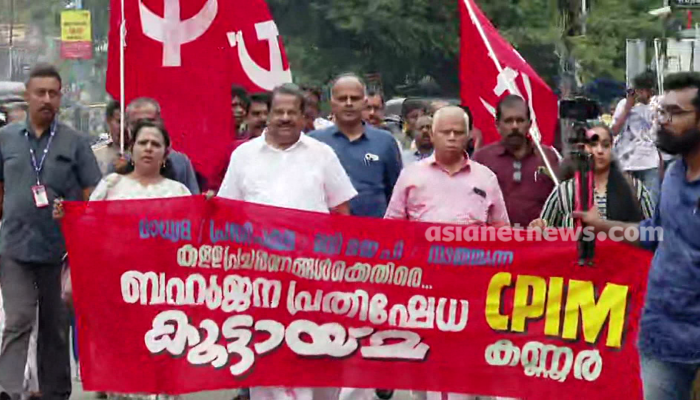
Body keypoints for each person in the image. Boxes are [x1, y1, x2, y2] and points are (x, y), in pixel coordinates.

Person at [217, 83, 356, 400]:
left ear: (303, 116)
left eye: (290, 112)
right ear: (267, 116)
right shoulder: (244, 155)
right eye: (277, 112)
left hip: (316, 280)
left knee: (318, 357)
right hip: (261, 282)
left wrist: (341, 266)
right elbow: (227, 215)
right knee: (267, 361)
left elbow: (342, 212)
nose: (283, 118)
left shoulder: (322, 155)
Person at [574, 72, 700, 400]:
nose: (663, 121)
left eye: (674, 113)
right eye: (661, 111)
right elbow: (652, 233)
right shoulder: (672, 175)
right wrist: (600, 224)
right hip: (660, 339)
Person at [54, 119, 189, 400]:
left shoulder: (179, 193)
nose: (148, 149)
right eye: (143, 143)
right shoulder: (112, 185)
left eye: (155, 144)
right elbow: (88, 228)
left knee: (158, 372)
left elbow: (191, 244)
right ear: (131, 148)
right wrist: (67, 217)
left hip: (162, 295)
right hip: (115, 294)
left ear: (166, 152)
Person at [0, 63, 102, 400]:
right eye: (39, 92)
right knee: (18, 317)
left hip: (60, 250)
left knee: (55, 329)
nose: (46, 99)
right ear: (26, 97)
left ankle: (56, 393)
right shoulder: (6, 138)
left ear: (61, 98)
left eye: (53, 93)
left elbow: (92, 194)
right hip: (13, 246)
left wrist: (77, 218)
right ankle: (8, 390)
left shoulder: (75, 142)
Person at [386, 106, 509, 227]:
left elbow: (502, 230)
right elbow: (391, 228)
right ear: (432, 135)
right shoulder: (410, 175)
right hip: (422, 247)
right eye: (445, 132)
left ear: (468, 136)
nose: (452, 138)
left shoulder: (486, 178)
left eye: (458, 133)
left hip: (470, 246)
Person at [309, 74, 402, 218]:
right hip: (326, 232)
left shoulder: (385, 142)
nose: (348, 103)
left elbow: (396, 193)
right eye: (342, 99)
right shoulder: (315, 141)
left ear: (364, 102)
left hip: (373, 232)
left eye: (354, 98)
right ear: (332, 103)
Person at [530, 124, 653, 229]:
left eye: (605, 145)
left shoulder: (635, 189)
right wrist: (540, 226)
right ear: (584, 148)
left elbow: (655, 230)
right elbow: (546, 230)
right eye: (593, 145)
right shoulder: (564, 191)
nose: (599, 151)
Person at [472, 95, 559, 228]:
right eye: (508, 121)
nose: (514, 126)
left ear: (529, 124)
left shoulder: (548, 157)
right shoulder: (482, 158)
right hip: (495, 241)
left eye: (520, 120)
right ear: (497, 125)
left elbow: (562, 201)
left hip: (539, 241)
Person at [124, 98, 200, 194]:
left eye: (149, 121)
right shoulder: (115, 172)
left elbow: (194, 203)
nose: (144, 127)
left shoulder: (180, 163)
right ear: (127, 126)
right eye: (137, 123)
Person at [611, 71, 662, 199]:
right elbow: (614, 130)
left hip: (649, 163)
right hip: (626, 162)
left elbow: (661, 135)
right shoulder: (624, 105)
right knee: (626, 204)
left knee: (650, 203)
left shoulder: (657, 106)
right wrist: (628, 107)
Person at [93, 100, 123, 175]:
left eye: (128, 122)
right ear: (109, 121)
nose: (124, 126)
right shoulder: (96, 155)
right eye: (119, 121)